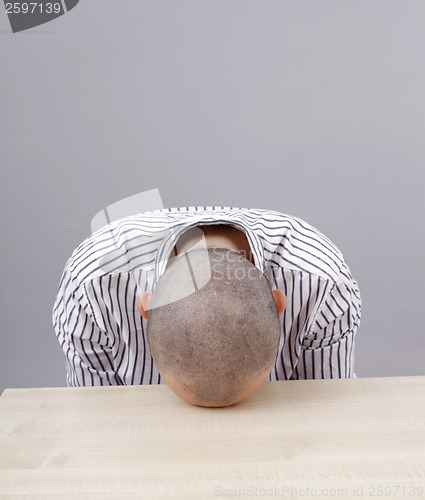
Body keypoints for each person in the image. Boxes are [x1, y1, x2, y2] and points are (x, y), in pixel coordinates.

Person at [52, 206, 361, 406]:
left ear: (280, 303)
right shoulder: (91, 289)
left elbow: (326, 418)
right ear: (147, 310)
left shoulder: (322, 285)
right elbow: (98, 425)